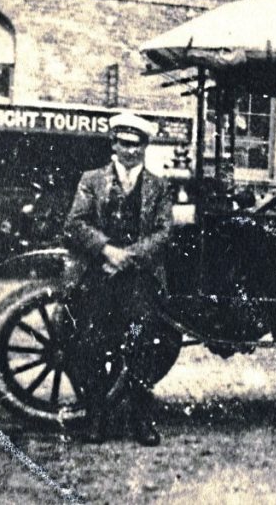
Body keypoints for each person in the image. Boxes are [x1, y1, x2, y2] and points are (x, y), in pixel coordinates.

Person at [63, 113, 172, 446]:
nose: (129, 151)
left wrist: (129, 257)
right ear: (113, 145)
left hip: (138, 281)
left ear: (145, 147)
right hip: (100, 276)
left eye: (136, 144)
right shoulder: (92, 180)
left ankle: (141, 420)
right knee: (93, 342)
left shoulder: (159, 185)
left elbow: (164, 232)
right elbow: (76, 223)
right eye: (123, 143)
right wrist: (108, 251)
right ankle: (97, 418)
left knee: (141, 341)